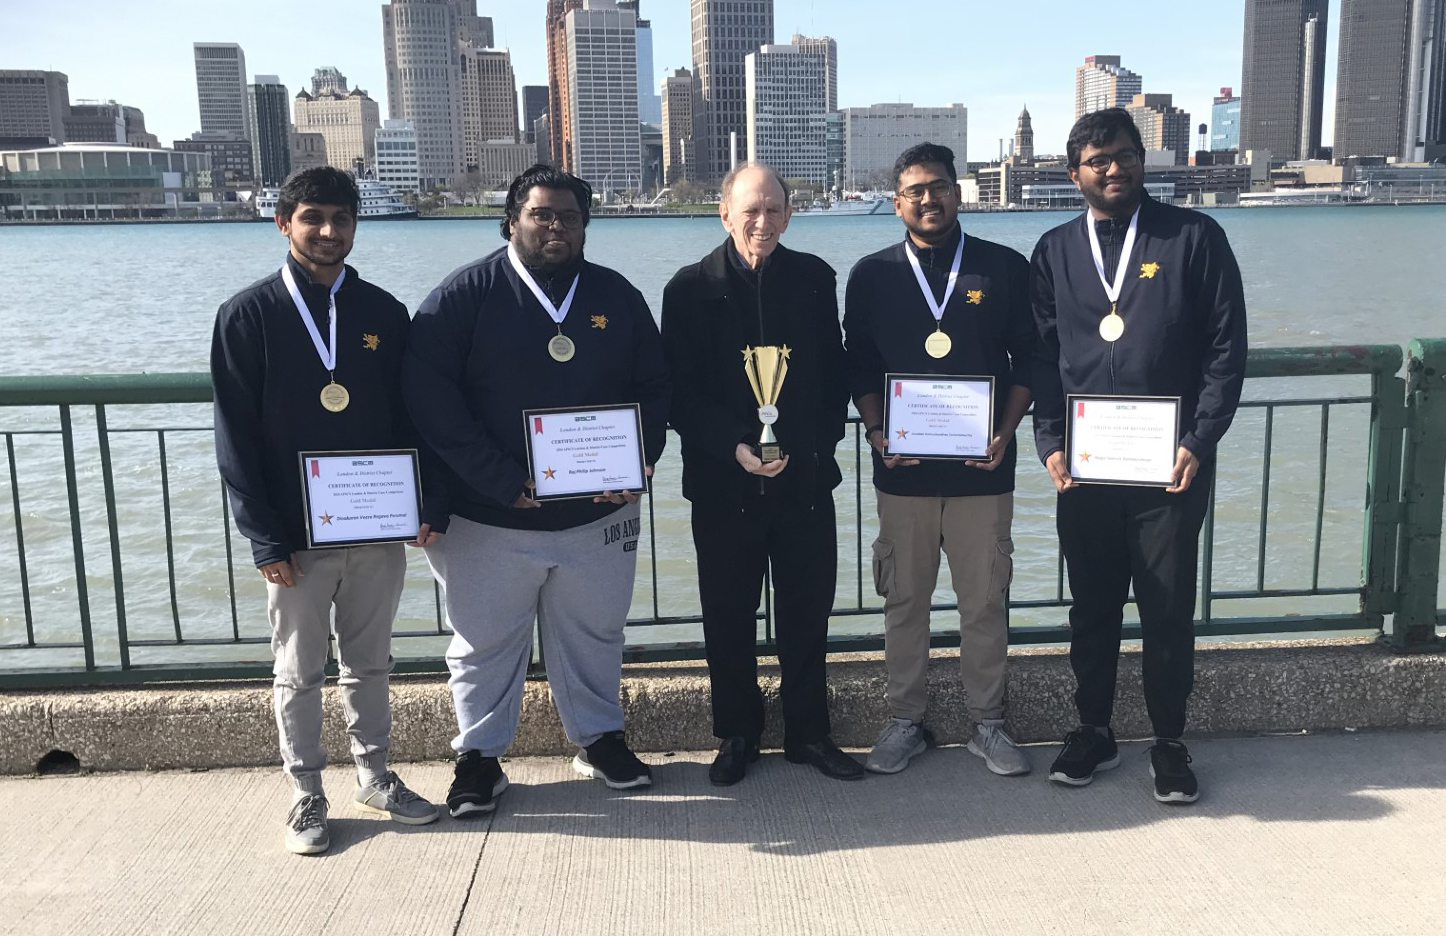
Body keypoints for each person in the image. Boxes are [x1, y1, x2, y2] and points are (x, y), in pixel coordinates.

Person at [402, 165, 669, 818]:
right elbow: (430, 401)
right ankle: (478, 758)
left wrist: (638, 460)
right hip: (489, 515)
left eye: (569, 217)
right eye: (541, 214)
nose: (556, 227)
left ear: (585, 227)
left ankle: (600, 740)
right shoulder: (463, 296)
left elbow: (655, 386)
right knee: (484, 645)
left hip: (595, 515)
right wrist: (498, 479)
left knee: (596, 634)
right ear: (511, 221)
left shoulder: (615, 295)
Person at [211, 167, 444, 855]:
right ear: (283, 223)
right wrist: (264, 537)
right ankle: (306, 793)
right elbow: (235, 437)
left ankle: (374, 776)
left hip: (376, 525)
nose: (328, 231)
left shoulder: (383, 313)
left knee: (371, 662)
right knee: (298, 669)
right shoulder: (248, 315)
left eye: (341, 218)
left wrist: (424, 502)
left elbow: (412, 418)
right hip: (294, 536)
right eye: (312, 217)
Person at [1031, 109, 1247, 804]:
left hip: (1170, 468)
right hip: (1086, 466)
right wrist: (1049, 441)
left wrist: (1199, 439)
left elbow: (1226, 349)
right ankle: (1092, 729)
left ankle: (1170, 741)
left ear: (1142, 160)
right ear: (1075, 175)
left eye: (1124, 155)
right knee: (1092, 608)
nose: (1113, 169)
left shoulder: (1193, 237)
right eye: (1097, 161)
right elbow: (1041, 359)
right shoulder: (1054, 250)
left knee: (1166, 610)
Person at [661, 163, 863, 785]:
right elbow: (680, 393)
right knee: (727, 616)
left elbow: (833, 375)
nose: (762, 221)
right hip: (724, 485)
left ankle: (810, 734)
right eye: (750, 209)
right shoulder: (688, 288)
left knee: (808, 613)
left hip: (803, 483)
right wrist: (735, 447)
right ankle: (737, 733)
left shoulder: (814, 279)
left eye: (774, 209)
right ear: (724, 213)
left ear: (789, 215)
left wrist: (810, 446)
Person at [843, 143, 1035, 777]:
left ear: (958, 193)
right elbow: (859, 363)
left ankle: (988, 724)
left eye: (940, 187)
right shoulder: (872, 275)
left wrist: (1004, 432)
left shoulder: (1003, 268)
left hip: (985, 471)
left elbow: (1031, 360)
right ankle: (905, 720)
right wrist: (876, 430)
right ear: (898, 203)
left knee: (984, 603)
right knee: (905, 601)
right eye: (915, 191)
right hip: (903, 474)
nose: (929, 199)